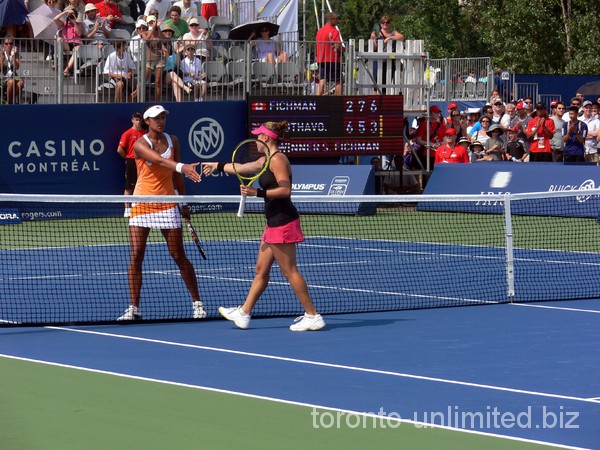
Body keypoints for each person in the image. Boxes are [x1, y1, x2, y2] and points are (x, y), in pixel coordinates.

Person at [202, 121, 326, 332]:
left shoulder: (278, 160)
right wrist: (218, 165)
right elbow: (241, 168)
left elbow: (285, 190)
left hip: (283, 221)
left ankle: (312, 315)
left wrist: (256, 193)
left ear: (266, 138)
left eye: (259, 137)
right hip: (273, 222)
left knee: (290, 271)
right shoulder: (265, 160)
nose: (257, 140)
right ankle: (244, 313)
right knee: (261, 270)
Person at [118, 105, 207, 321]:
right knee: (137, 255)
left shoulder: (173, 140)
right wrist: (182, 166)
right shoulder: (140, 144)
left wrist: (183, 202)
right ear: (147, 121)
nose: (161, 121)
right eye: (157, 118)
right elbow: (159, 161)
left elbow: (176, 177)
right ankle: (134, 308)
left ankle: (197, 303)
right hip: (142, 204)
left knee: (178, 254)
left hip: (168, 203)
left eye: (163, 117)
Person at [117, 112, 146, 217]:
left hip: (144, 162)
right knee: (129, 185)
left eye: (140, 119)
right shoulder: (127, 133)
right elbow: (120, 149)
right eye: (136, 119)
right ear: (132, 120)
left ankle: (139, 206)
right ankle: (127, 209)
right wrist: (127, 158)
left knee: (142, 184)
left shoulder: (145, 133)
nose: (138, 121)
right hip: (131, 161)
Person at [369, 15, 404, 94]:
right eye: (383, 22)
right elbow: (374, 48)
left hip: (389, 61)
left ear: (390, 24)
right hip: (378, 60)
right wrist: (372, 38)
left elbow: (401, 37)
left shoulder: (393, 33)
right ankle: (375, 104)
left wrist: (390, 38)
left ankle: (382, 103)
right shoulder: (377, 33)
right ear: (380, 24)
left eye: (387, 22)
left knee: (385, 84)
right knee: (376, 85)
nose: (385, 24)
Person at [315, 12, 343, 96]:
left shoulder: (319, 31)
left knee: (322, 80)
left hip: (321, 59)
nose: (338, 21)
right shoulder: (334, 31)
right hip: (333, 60)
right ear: (331, 20)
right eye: (336, 19)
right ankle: (339, 102)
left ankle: (317, 101)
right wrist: (344, 49)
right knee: (338, 81)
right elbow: (337, 46)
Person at [54, 6, 83, 77]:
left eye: (73, 15)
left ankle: (67, 69)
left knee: (76, 50)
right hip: (67, 44)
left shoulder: (79, 24)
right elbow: (55, 19)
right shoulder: (64, 24)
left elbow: (79, 33)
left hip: (77, 44)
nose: (71, 17)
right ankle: (56, 61)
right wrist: (66, 12)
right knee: (59, 38)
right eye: (70, 16)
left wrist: (75, 23)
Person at [1, 38, 24, 104]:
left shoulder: (15, 54)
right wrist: (2, 55)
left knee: (21, 83)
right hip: (3, 75)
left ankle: (7, 100)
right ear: (4, 45)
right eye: (6, 44)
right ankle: (9, 102)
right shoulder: (1, 53)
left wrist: (13, 56)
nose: (8, 45)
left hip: (13, 75)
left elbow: (17, 67)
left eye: (10, 43)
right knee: (11, 82)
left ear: (13, 45)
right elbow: (1, 66)